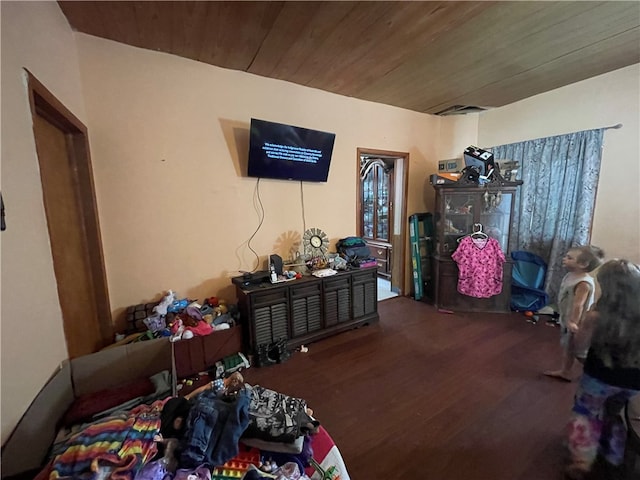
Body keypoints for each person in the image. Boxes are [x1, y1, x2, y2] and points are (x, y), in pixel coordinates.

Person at [564, 259, 640, 479]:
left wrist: (576, 332)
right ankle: (613, 455)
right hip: (634, 382)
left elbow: (580, 346)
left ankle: (582, 462)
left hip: (599, 377)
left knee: (587, 416)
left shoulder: (596, 316)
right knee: (615, 414)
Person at [544, 245, 604, 381]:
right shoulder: (571, 276)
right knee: (568, 347)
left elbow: (579, 305)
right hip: (568, 318)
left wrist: (573, 322)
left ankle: (597, 372)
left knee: (579, 351)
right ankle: (566, 371)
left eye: (569, 258)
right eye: (566, 256)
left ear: (583, 264)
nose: (564, 259)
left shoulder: (583, 283)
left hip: (577, 322)